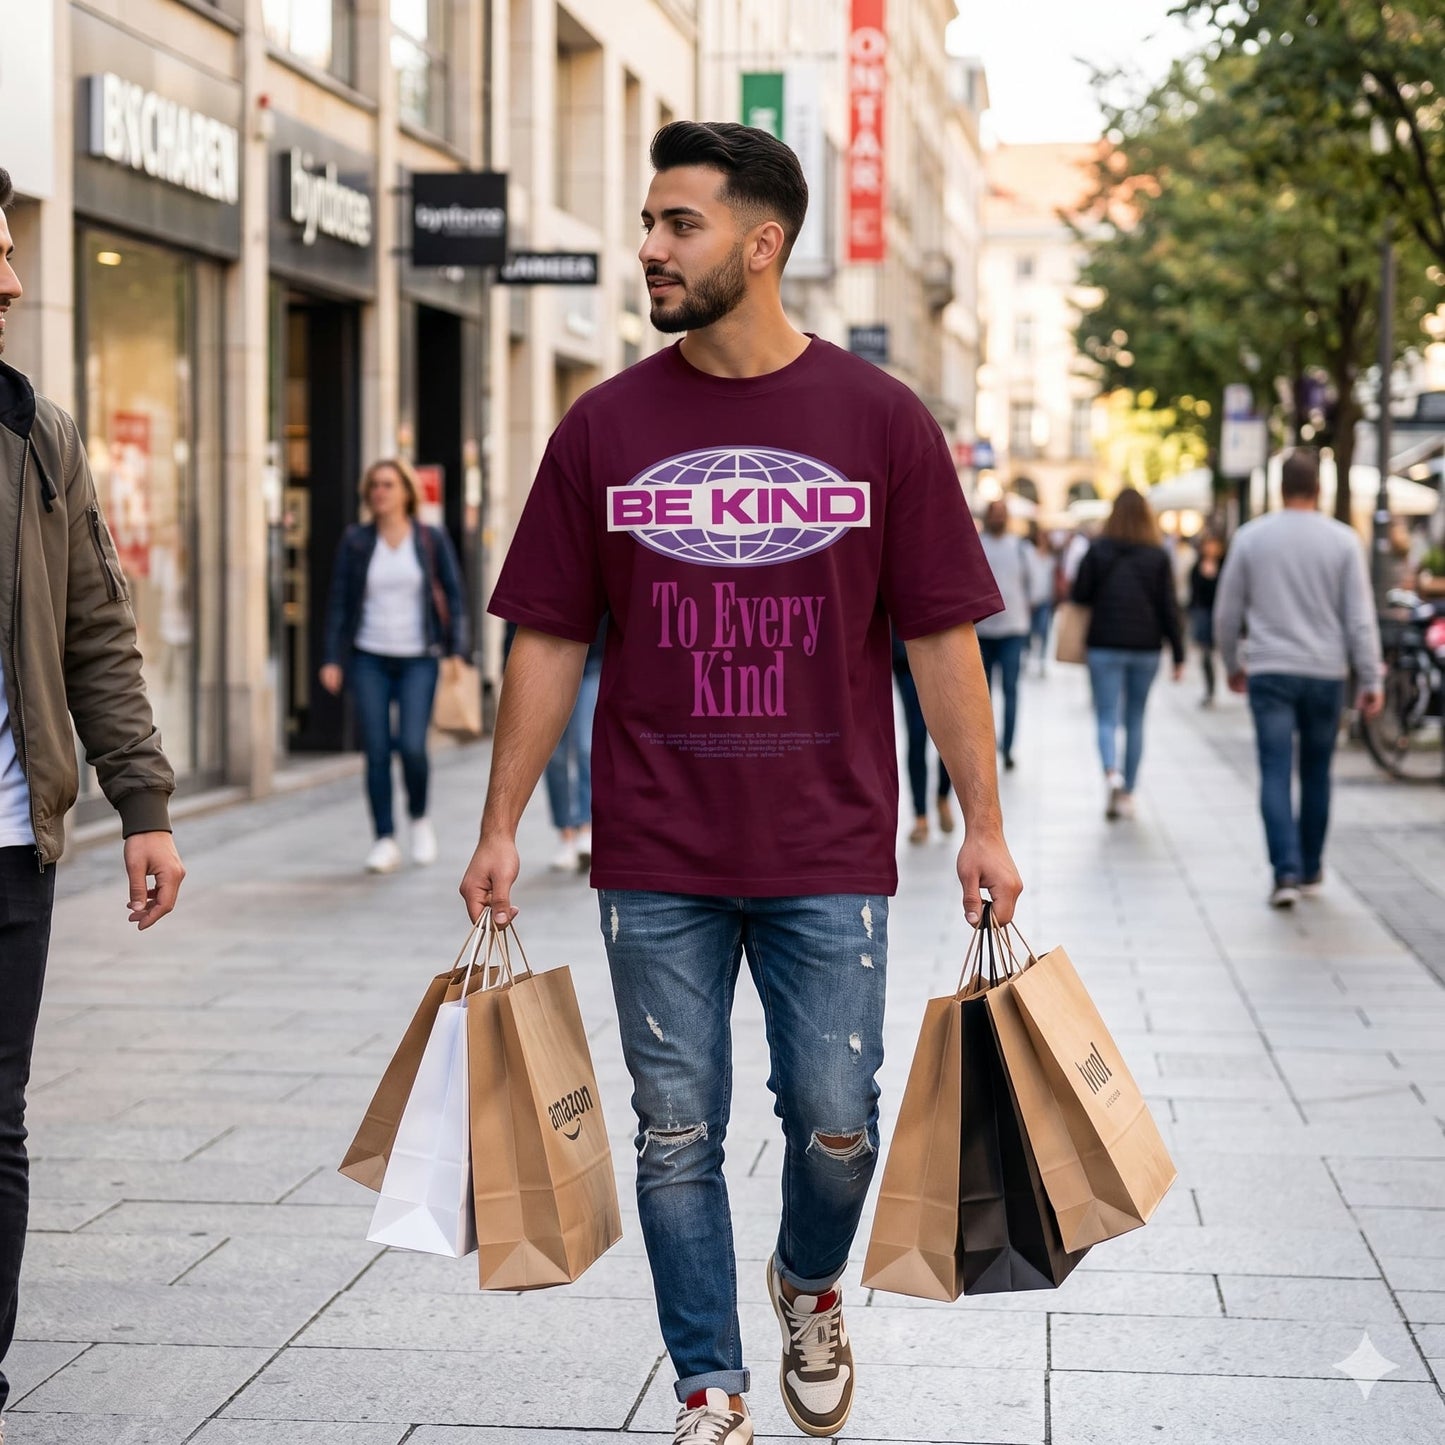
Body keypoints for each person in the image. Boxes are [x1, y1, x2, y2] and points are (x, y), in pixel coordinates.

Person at [459, 121, 1022, 1445]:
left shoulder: (880, 421)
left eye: (678, 225)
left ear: (761, 246)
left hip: (829, 845)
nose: (648, 247)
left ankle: (806, 1281)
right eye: (650, 223)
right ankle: (708, 1384)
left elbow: (941, 632)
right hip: (656, 847)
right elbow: (547, 633)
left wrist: (983, 821)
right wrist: (498, 822)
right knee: (672, 1131)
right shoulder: (603, 427)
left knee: (837, 1123)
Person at [0, 166, 186, 1438]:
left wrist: (146, 802)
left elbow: (96, 634)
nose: (13, 279)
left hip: (11, 842)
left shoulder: (37, 431)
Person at [1213, 449, 1383, 908]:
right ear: (1319, 489)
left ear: (1279, 488)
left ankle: (1284, 872)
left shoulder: (1251, 538)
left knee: (1273, 769)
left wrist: (1232, 664)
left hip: (1269, 669)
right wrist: (1371, 677)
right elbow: (1360, 618)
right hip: (1326, 672)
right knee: (1315, 772)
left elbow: (1227, 614)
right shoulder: (1344, 541)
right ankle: (1310, 868)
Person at [320, 459, 467, 874]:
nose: (380, 492)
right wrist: (332, 657)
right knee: (378, 750)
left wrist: (457, 649)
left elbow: (454, 598)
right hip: (369, 658)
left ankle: (419, 818)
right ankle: (384, 837)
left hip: (420, 657)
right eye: (374, 486)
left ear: (406, 491)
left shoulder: (430, 538)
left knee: (414, 747)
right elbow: (339, 602)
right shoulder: (356, 541)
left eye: (388, 484)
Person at [1072, 487, 1184, 820]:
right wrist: (1179, 654)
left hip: (1104, 643)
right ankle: (1129, 792)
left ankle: (1111, 772)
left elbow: (1080, 595)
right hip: (1145, 646)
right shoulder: (1158, 555)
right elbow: (1169, 608)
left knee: (1106, 715)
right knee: (1135, 718)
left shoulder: (1097, 550)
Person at [975, 498, 1033, 770]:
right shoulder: (975, 544)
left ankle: (1008, 747)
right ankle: (984, 750)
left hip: (1012, 631)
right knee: (980, 697)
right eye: (994, 513)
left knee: (1010, 690)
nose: (998, 518)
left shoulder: (1020, 547)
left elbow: (1035, 585)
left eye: (1002, 514)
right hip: (981, 632)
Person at [545, 620, 605, 871]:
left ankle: (586, 828)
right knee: (553, 754)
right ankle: (565, 833)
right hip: (547, 665)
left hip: (591, 662)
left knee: (584, 746)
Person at [892, 629, 953, 843]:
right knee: (916, 735)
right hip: (905, 656)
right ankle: (920, 817)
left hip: (945, 656)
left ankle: (943, 797)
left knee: (948, 738)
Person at [1187, 532, 1225, 705]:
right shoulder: (1197, 567)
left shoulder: (1225, 566)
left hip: (1221, 613)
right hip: (1202, 614)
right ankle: (1210, 689)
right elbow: (1195, 593)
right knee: (1206, 654)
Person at [1023, 522, 1057, 675]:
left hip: (1045, 600)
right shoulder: (1029, 553)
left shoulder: (1052, 558)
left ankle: (1042, 661)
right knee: (1028, 631)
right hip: (1030, 600)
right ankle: (1026, 657)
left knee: (1043, 631)